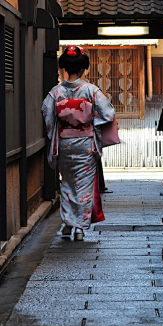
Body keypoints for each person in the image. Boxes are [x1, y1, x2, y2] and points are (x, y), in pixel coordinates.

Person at [42, 45, 116, 241]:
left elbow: (48, 117)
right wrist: (90, 122)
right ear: (83, 68)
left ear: (64, 67)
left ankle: (67, 223)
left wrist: (58, 131)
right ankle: (79, 229)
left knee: (66, 183)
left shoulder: (55, 93)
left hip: (65, 143)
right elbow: (108, 114)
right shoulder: (91, 91)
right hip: (85, 143)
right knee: (83, 186)